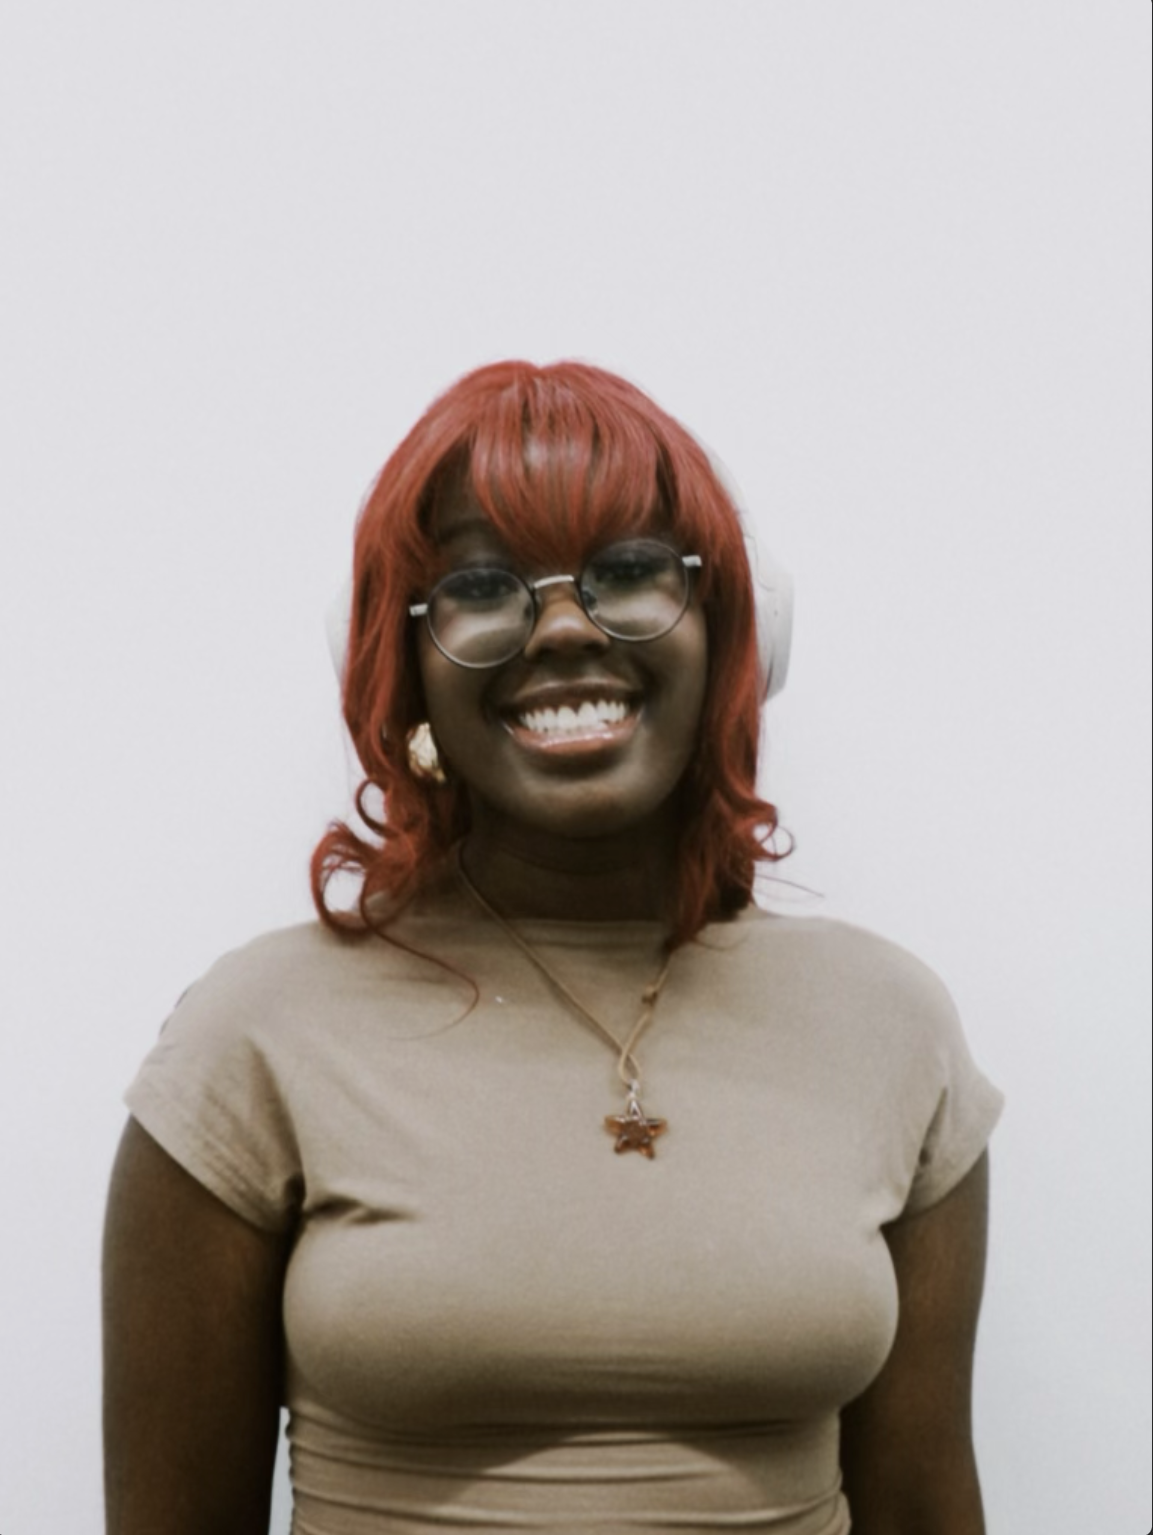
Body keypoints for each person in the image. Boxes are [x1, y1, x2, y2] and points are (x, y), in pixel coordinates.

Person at [102, 360, 1003, 1535]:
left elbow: (925, 1501)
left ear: (735, 633)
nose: (568, 627)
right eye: (480, 585)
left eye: (629, 569)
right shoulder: (253, 1036)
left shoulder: (889, 1024)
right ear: (407, 667)